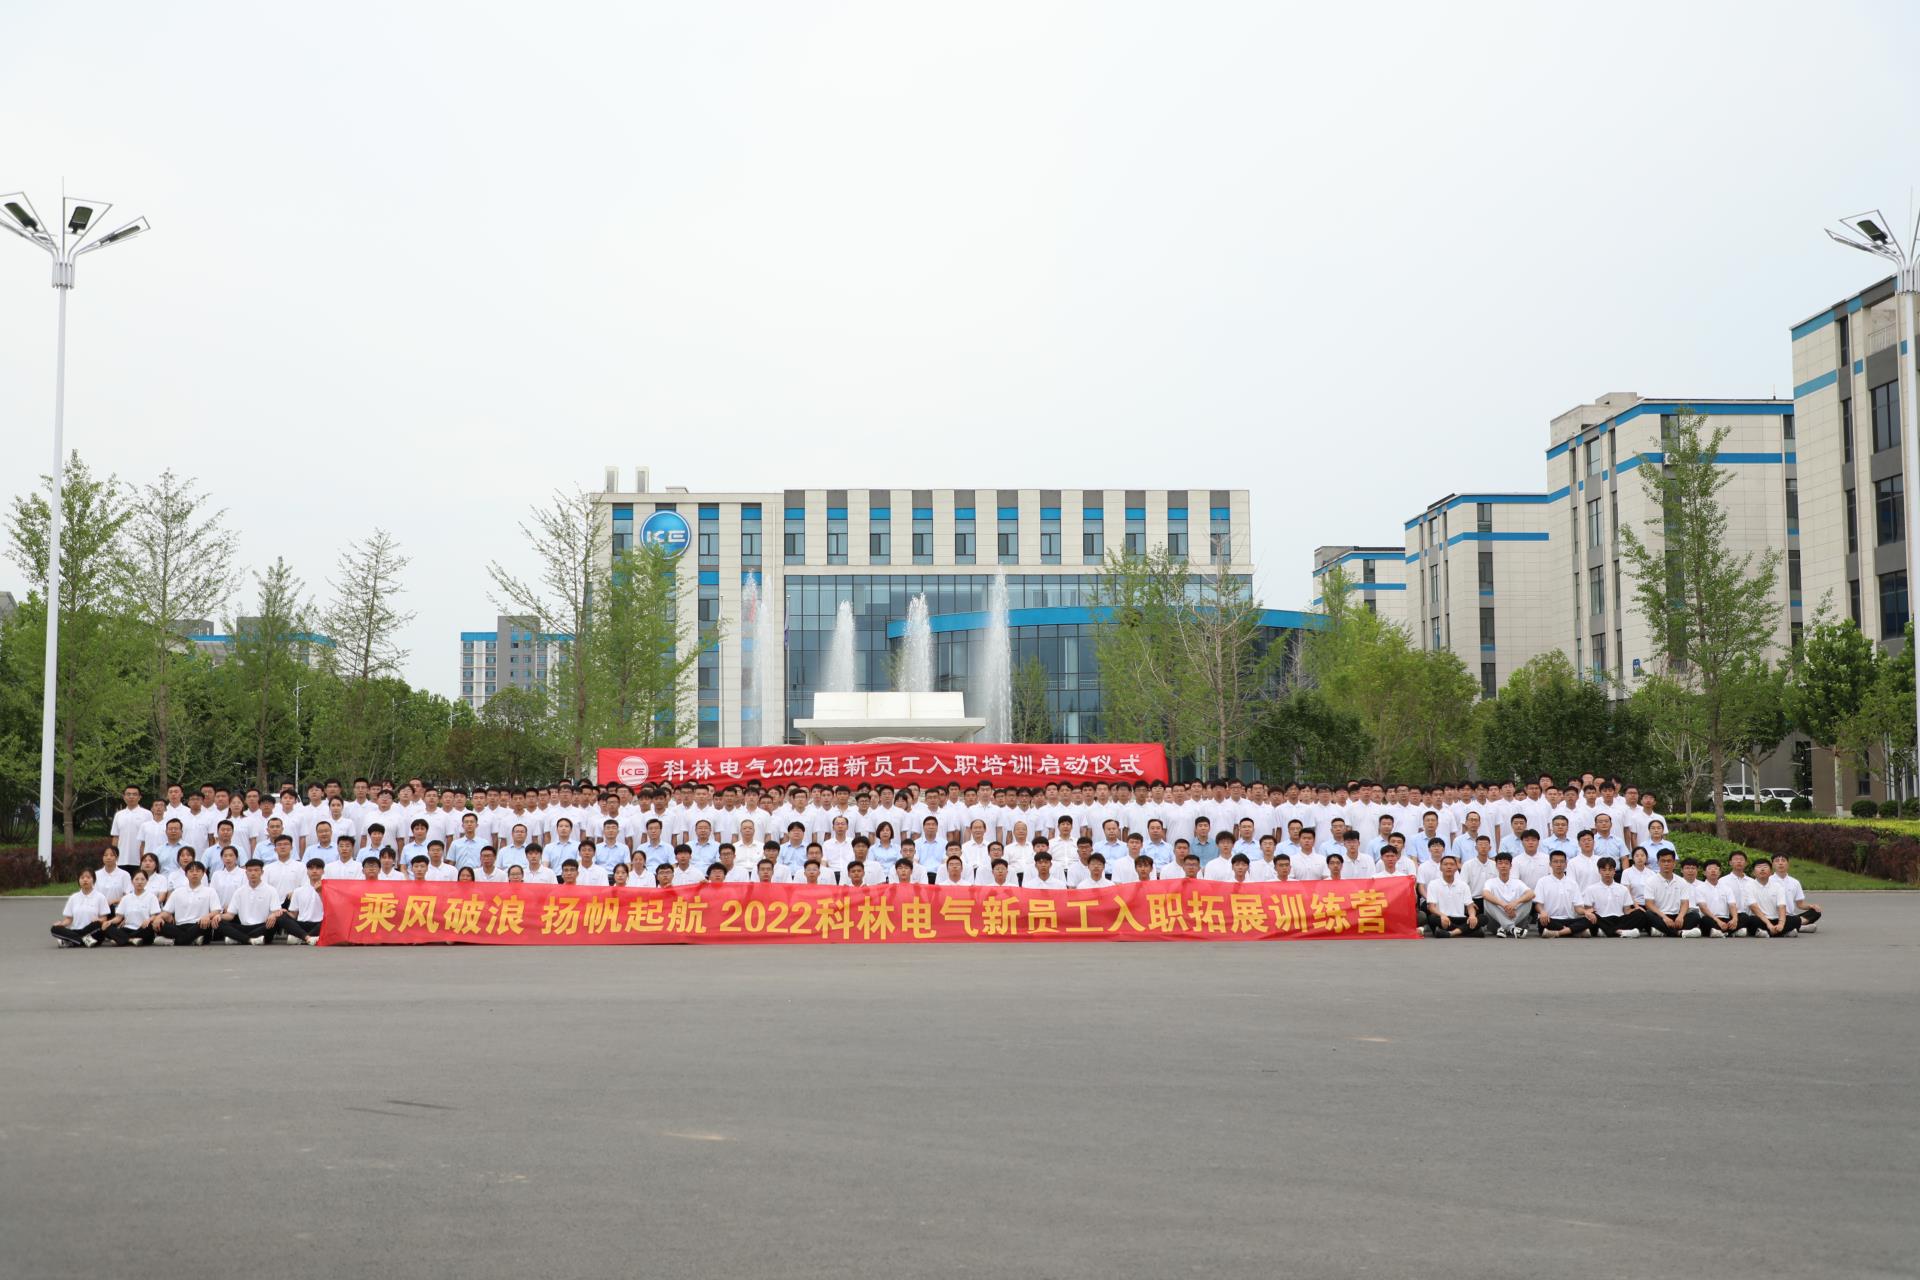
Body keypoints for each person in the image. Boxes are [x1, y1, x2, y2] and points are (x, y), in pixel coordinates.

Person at [219, 859, 285, 945]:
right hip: (244, 927)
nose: (253, 873)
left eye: (256, 870)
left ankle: (238, 938)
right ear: (246, 873)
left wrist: (273, 915)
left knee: (274, 923)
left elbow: (276, 911)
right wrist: (218, 916)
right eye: (250, 871)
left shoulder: (271, 890)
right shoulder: (239, 891)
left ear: (262, 872)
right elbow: (230, 915)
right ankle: (250, 940)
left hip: (262, 926)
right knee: (218, 922)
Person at [155, 861, 223, 945]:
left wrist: (207, 916)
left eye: (198, 871)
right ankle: (193, 940)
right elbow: (167, 912)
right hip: (180, 926)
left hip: (199, 924)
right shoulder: (177, 892)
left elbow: (216, 910)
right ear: (186, 874)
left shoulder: (210, 891)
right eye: (191, 871)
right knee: (160, 924)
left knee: (204, 927)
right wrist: (158, 917)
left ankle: (172, 941)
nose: (194, 873)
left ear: (203, 874)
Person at [1533, 851, 1593, 938]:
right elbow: (1538, 904)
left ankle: (1558, 933)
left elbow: (1577, 907)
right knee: (1542, 921)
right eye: (1555, 862)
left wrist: (1585, 912)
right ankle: (1575, 932)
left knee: (1590, 919)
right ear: (1550, 864)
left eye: (1562, 862)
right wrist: (1542, 912)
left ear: (1566, 864)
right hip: (1550, 919)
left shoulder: (1572, 883)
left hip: (1569, 920)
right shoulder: (1542, 881)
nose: (1559, 864)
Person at [1642, 851, 1700, 938]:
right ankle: (1678, 933)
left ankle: (1663, 932)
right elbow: (1649, 904)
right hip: (1660, 916)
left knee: (1695, 916)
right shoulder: (1650, 881)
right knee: (1648, 914)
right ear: (1658, 863)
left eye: (1669, 861)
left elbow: (1685, 903)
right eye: (1663, 861)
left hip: (1676, 916)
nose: (1666, 864)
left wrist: (1681, 916)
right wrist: (1664, 917)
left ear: (1674, 863)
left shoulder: (1681, 881)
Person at [51, 868, 110, 947]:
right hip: (76, 930)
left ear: (94, 880)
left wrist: (99, 920)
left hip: (92, 931)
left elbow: (104, 918)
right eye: (82, 878)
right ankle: (84, 940)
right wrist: (61, 924)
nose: (85, 880)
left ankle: (71, 941)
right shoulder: (73, 898)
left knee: (97, 925)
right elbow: (69, 919)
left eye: (88, 877)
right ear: (78, 880)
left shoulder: (100, 897)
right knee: (55, 929)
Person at [1479, 852, 1534, 937]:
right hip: (1496, 925)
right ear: (1496, 866)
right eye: (1500, 863)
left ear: (1511, 866)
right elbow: (1485, 894)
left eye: (1506, 863)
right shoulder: (1490, 882)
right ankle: (1511, 928)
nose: (1503, 866)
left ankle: (1505, 928)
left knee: (1528, 900)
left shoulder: (1517, 882)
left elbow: (1531, 894)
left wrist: (1515, 903)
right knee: (1487, 900)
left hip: (1515, 919)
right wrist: (1504, 905)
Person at [104, 869, 164, 945]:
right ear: (132, 881)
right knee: (108, 928)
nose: (139, 882)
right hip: (127, 928)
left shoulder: (152, 897)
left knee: (149, 929)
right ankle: (131, 940)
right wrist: (110, 922)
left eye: (142, 879)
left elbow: (155, 915)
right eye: (137, 879)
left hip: (143, 928)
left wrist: (149, 920)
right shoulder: (126, 898)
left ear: (147, 881)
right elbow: (119, 917)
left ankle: (122, 939)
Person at [1424, 856, 1478, 937]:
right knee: (1432, 918)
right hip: (1444, 918)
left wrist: (1472, 916)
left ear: (1456, 868)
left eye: (1452, 864)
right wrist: (1442, 915)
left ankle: (1451, 933)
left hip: (1460, 918)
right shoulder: (1433, 884)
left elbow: (1470, 906)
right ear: (1440, 868)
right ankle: (1469, 931)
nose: (1449, 867)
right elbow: (1431, 907)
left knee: (1483, 918)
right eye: (1445, 864)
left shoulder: (1463, 885)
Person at [277, 860, 327, 945]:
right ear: (307, 872)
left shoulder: (329, 889)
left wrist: (320, 892)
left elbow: (330, 909)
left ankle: (301, 938)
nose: (314, 871)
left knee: (330, 920)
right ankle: (308, 938)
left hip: (319, 924)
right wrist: (285, 912)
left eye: (318, 868)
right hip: (301, 924)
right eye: (311, 868)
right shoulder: (298, 891)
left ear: (323, 871)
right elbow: (294, 915)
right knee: (280, 915)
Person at [1772, 856, 1821, 933]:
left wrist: (1811, 906)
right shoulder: (1768, 881)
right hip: (1774, 916)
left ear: (1788, 864)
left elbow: (1800, 904)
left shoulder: (1795, 882)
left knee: (1815, 912)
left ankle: (1793, 926)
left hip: (1790, 916)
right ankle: (1800, 928)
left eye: (1783, 861)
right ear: (1772, 864)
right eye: (1777, 861)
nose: (1780, 863)